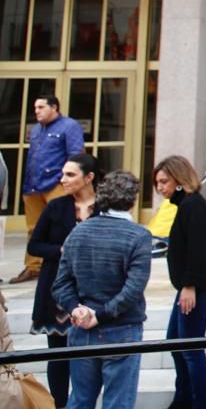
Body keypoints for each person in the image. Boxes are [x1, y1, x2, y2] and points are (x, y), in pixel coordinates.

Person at [52, 170, 151, 409]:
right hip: (122, 328)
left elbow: (61, 284)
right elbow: (133, 290)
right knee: (118, 403)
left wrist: (75, 309)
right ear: (133, 201)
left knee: (80, 400)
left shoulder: (78, 232)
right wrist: (100, 315)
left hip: (82, 328)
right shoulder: (139, 236)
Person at [28, 152, 100, 408]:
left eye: (70, 174)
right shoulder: (56, 207)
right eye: (63, 174)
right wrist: (60, 250)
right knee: (58, 357)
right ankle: (58, 404)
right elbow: (35, 245)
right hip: (57, 292)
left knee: (90, 358)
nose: (63, 179)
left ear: (89, 177)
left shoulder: (104, 207)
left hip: (94, 292)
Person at [154, 155, 206, 409]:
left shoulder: (193, 205)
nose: (160, 188)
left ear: (178, 179)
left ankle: (202, 404)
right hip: (190, 284)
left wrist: (190, 286)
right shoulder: (186, 204)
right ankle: (183, 398)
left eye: (164, 182)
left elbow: (198, 250)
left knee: (191, 347)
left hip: (197, 286)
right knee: (176, 340)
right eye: (158, 183)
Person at [15, 95, 84, 284]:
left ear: (54, 107)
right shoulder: (37, 129)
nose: (36, 111)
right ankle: (33, 266)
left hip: (56, 184)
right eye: (35, 107)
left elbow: (76, 155)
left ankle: (66, 263)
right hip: (33, 186)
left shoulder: (70, 126)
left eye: (41, 107)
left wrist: (64, 180)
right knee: (33, 228)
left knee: (63, 225)